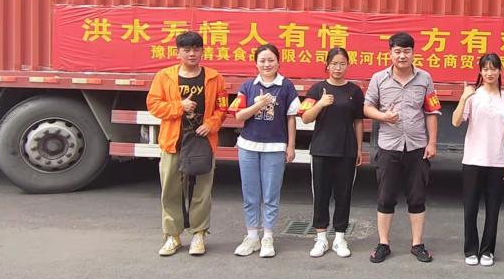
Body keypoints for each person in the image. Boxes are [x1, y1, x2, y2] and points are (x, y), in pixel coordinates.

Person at [147, 31, 228, 257]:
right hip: (173, 141)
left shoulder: (214, 78)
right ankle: (172, 236)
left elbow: (222, 108)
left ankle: (199, 234)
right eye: (187, 50)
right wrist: (178, 106)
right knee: (170, 189)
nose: (192, 54)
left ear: (202, 51)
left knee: (202, 190)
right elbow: (153, 105)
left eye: (196, 49)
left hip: (202, 142)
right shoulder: (164, 76)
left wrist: (211, 124)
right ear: (178, 52)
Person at [363, 32, 441, 264]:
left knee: (417, 198)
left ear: (413, 53)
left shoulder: (425, 78)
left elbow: (431, 111)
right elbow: (367, 107)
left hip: (417, 147)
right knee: (385, 197)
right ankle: (383, 244)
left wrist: (432, 142)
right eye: (397, 51)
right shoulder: (379, 78)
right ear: (390, 53)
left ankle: (417, 244)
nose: (402, 56)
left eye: (406, 51)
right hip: (389, 147)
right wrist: (383, 116)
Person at [228, 44, 300, 258]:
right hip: (248, 147)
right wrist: (258, 105)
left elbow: (291, 118)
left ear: (278, 62)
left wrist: (291, 146)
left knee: (270, 195)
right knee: (250, 194)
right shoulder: (247, 86)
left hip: (275, 147)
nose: (267, 64)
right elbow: (238, 116)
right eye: (262, 60)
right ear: (256, 63)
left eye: (271, 60)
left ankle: (268, 236)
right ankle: (252, 237)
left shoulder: (286, 86)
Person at [451, 53, 504, 267]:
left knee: (493, 209)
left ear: (500, 71)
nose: (489, 73)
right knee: (470, 208)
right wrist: (463, 98)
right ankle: (471, 250)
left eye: (493, 68)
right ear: (480, 72)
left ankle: (487, 250)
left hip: (496, 161)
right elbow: (455, 122)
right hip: (473, 160)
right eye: (485, 69)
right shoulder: (473, 96)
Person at [299, 47, 365, 258]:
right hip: (321, 150)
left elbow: (358, 121)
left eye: (342, 64)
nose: (338, 68)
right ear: (327, 65)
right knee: (321, 195)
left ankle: (340, 238)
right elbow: (305, 118)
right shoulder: (317, 89)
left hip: (346, 150)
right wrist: (321, 103)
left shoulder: (354, 91)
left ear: (348, 65)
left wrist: (359, 148)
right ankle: (321, 238)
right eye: (334, 63)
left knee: (343, 195)